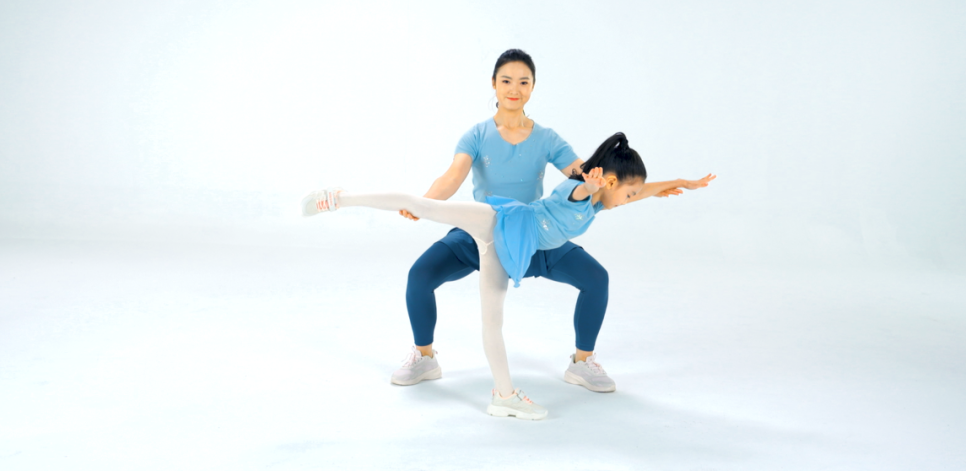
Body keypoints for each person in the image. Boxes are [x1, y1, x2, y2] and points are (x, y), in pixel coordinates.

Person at [303, 132, 715, 419]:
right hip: (498, 223)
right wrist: (588, 185)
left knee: (492, 321)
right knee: (426, 207)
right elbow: (583, 189)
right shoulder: (582, 192)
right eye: (628, 193)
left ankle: (503, 396)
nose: (630, 200)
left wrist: (677, 183)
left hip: (505, 253)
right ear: (607, 181)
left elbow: (630, 190)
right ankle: (339, 198)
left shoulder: (599, 202)